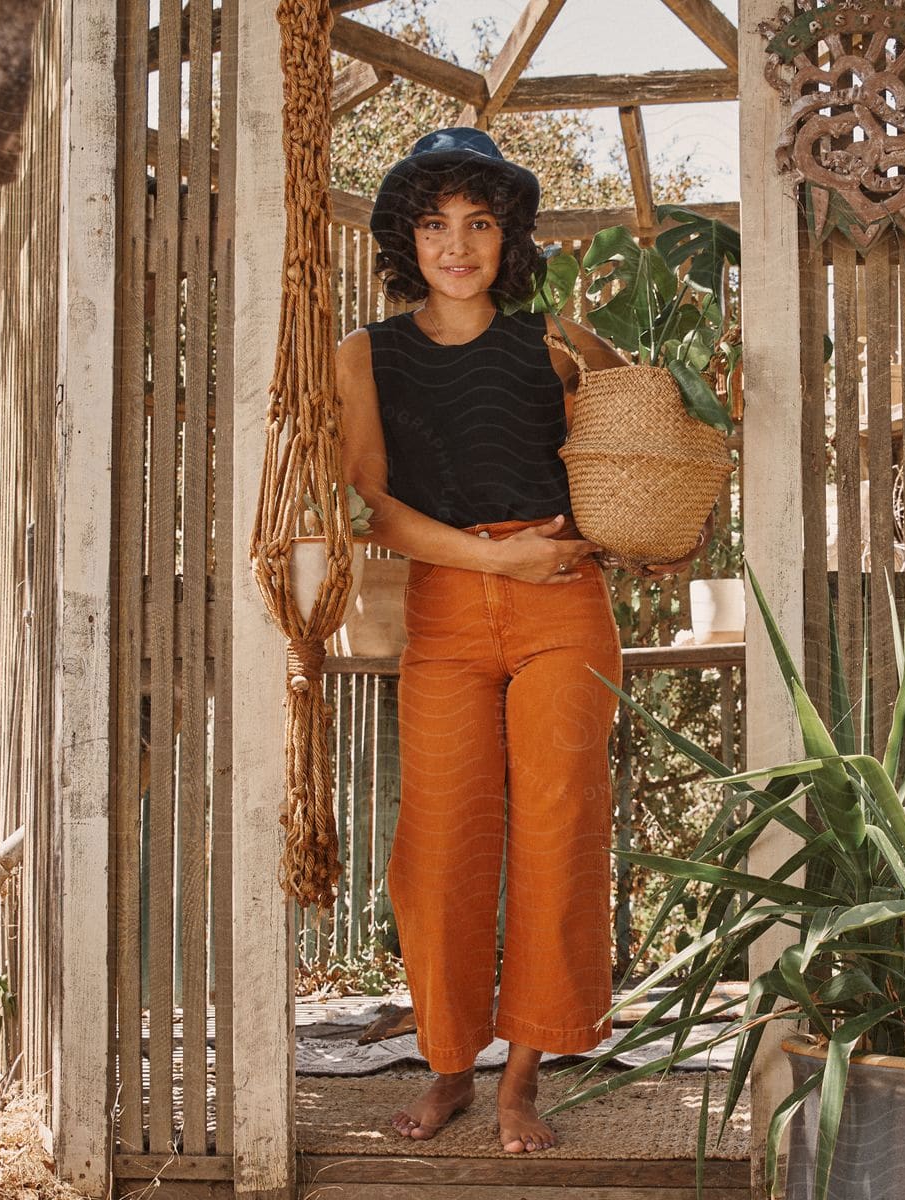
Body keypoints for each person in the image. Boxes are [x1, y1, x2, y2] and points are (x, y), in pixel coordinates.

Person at [335, 128, 707, 1155]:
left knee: (557, 827)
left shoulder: (556, 340)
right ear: (408, 235)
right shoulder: (362, 356)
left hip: (565, 607)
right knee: (438, 840)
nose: (459, 244)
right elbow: (375, 507)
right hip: (452, 606)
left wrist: (637, 536)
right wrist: (500, 562)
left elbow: (634, 452)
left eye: (482, 223)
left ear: (511, 236)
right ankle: (452, 1064)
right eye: (437, 222)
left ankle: (523, 1079)